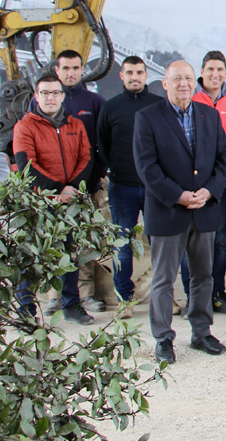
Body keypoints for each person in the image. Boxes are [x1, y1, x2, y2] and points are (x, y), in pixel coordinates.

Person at [133, 60, 226, 364]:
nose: (183, 84)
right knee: (164, 279)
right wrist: (178, 196)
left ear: (195, 81)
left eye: (188, 78)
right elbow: (146, 167)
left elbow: (222, 158)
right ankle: (163, 338)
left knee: (203, 276)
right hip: (168, 210)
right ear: (165, 84)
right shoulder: (147, 117)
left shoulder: (210, 115)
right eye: (177, 79)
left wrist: (209, 191)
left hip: (204, 209)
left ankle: (202, 332)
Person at [13, 73, 93, 324]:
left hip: (68, 201)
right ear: (37, 96)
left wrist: (72, 188)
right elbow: (27, 165)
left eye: (55, 93)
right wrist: (58, 189)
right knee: (32, 256)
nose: (50, 97)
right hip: (39, 203)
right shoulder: (25, 126)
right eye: (45, 93)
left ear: (62, 95)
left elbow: (87, 158)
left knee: (70, 254)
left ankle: (71, 305)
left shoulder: (75, 125)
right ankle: (26, 310)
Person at [181, 51, 226, 316]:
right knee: (192, 244)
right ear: (202, 71)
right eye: (210, 69)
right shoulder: (190, 99)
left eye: (220, 69)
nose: (215, 74)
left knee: (220, 242)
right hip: (195, 186)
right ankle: (193, 298)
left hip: (225, 185)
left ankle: (218, 294)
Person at [97, 56, 162, 318]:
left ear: (146, 75)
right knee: (122, 246)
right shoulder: (110, 107)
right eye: (129, 73)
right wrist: (116, 168)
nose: (134, 77)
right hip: (121, 187)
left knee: (160, 244)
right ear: (122, 76)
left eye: (139, 72)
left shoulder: (159, 106)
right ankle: (125, 299)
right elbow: (102, 144)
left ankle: (163, 296)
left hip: (155, 188)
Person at [43, 50, 107, 314]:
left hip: (87, 186)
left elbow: (102, 142)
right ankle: (54, 297)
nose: (71, 72)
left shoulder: (94, 101)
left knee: (85, 242)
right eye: (66, 68)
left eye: (76, 68)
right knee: (54, 242)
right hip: (51, 189)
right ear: (56, 70)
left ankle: (86, 294)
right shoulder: (44, 101)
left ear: (82, 70)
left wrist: (97, 177)